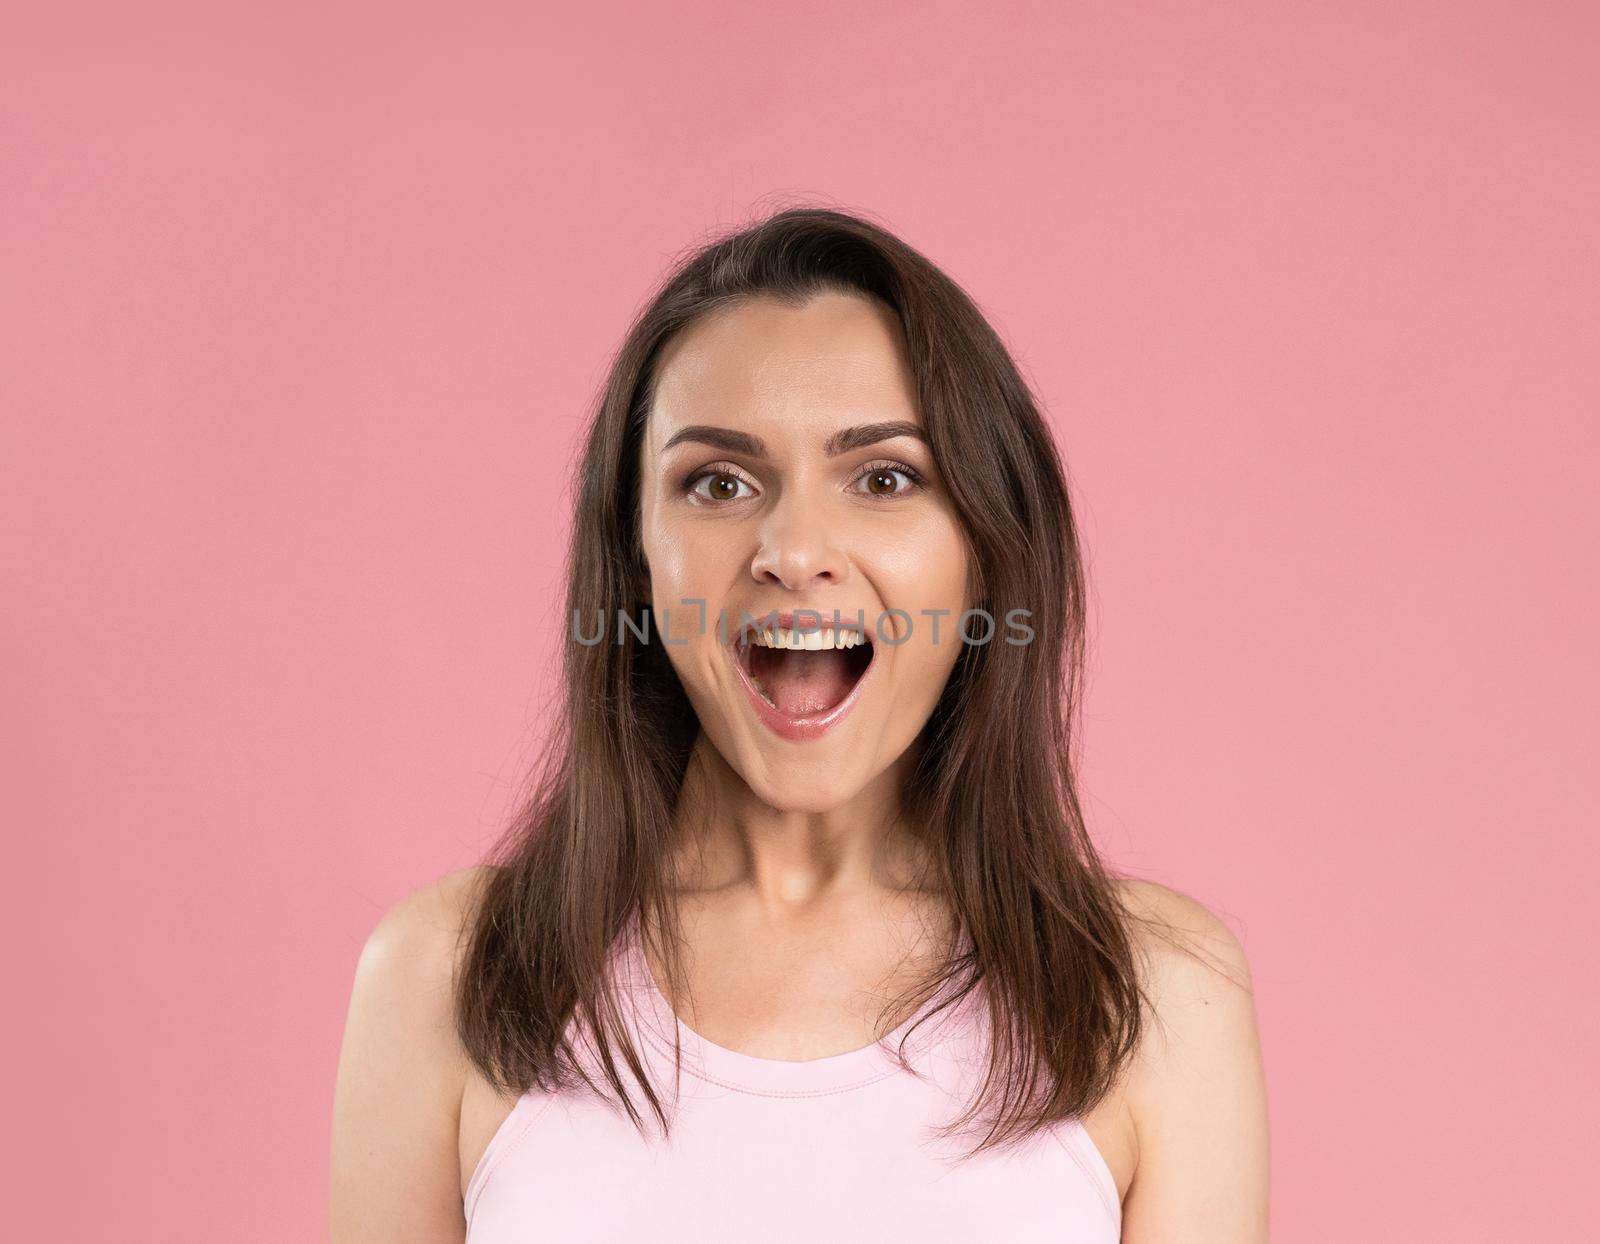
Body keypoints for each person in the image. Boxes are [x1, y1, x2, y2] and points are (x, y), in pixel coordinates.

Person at [329, 207, 1270, 1241]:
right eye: (719, 482)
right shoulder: (446, 973)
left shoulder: (1155, 996)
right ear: (636, 555)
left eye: (883, 476)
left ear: (988, 548)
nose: (793, 546)